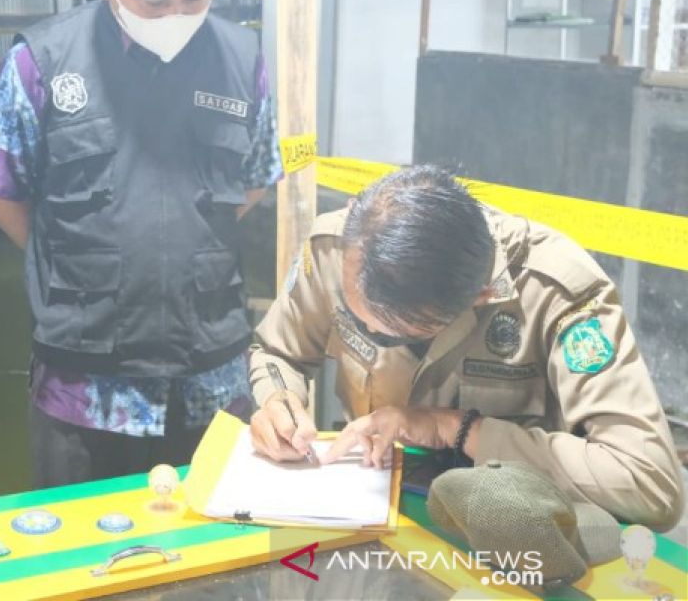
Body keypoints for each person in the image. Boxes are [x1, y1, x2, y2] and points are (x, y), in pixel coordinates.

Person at [0, 0, 284, 488]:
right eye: (154, 2)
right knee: (83, 566)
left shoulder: (244, 59)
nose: (178, 16)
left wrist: (184, 247)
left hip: (212, 386)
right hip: (87, 392)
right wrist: (76, 256)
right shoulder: (43, 61)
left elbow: (254, 181)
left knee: (216, 570)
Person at [249, 165, 684, 531]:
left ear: (480, 296)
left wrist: (452, 428)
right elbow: (277, 352)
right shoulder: (337, 250)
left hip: (508, 530)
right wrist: (278, 402)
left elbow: (650, 483)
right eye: (356, 317)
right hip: (366, 509)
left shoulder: (557, 291)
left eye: (391, 333)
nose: (369, 331)